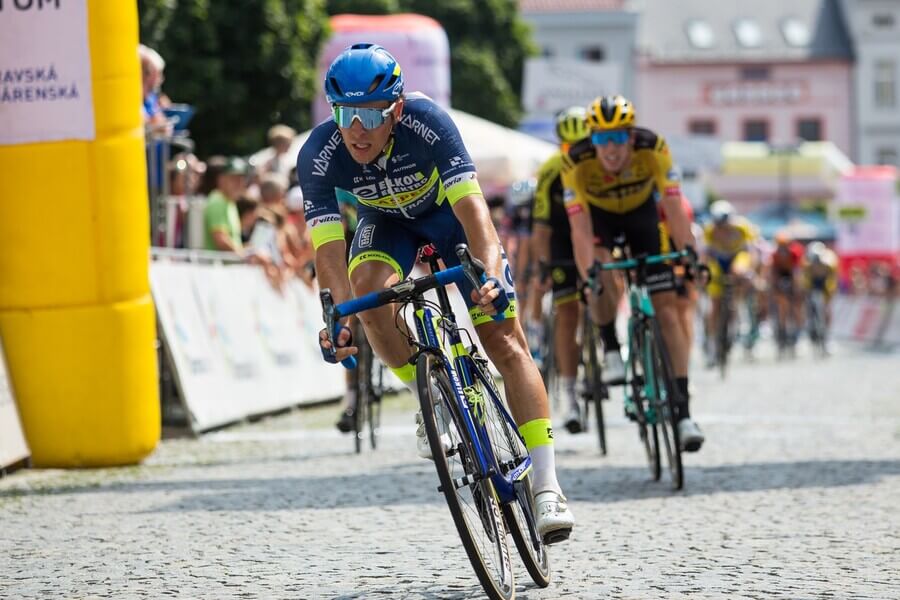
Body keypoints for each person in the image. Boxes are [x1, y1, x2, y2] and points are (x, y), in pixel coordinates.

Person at [297, 43, 574, 541]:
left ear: (396, 109)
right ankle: (428, 394)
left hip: (448, 218)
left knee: (505, 340)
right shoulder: (320, 154)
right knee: (367, 295)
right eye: (344, 113)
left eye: (369, 113)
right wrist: (335, 316)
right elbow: (329, 252)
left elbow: (476, 216)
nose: (355, 128)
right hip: (386, 225)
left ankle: (548, 486)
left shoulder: (428, 123)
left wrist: (488, 275)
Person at [560, 95, 704, 452]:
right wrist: (589, 273)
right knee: (601, 273)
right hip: (600, 220)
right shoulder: (574, 160)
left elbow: (673, 203)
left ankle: (683, 413)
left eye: (618, 138)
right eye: (601, 139)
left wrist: (689, 254)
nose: (610, 148)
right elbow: (579, 228)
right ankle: (610, 346)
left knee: (667, 306)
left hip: (642, 216)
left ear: (631, 136)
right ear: (590, 140)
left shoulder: (653, 147)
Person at [526, 106, 591, 433]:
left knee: (611, 282)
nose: (575, 155)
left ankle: (607, 353)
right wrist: (542, 266)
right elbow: (541, 228)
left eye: (582, 146)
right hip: (562, 243)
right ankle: (571, 394)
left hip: (594, 236)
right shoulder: (551, 170)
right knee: (567, 315)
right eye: (568, 148)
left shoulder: (600, 163)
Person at [701, 200, 758, 365]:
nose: (723, 229)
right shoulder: (709, 231)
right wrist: (704, 273)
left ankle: (737, 316)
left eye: (725, 225)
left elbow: (751, 253)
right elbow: (705, 255)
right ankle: (712, 344)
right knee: (715, 303)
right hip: (717, 261)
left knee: (740, 271)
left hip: (736, 258)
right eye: (719, 225)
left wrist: (750, 271)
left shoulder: (742, 228)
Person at [769, 231, 805, 354]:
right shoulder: (774, 254)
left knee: (796, 304)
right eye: (780, 245)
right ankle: (782, 330)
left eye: (785, 245)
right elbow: (773, 271)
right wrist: (774, 286)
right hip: (780, 275)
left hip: (791, 275)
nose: (782, 248)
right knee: (782, 305)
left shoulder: (795, 252)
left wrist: (797, 287)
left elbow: (797, 271)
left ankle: (797, 328)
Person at [204, 157, 249, 253]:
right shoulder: (218, 201)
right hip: (217, 267)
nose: (240, 183)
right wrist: (244, 256)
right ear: (221, 179)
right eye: (234, 179)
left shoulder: (229, 202)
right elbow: (221, 239)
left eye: (242, 179)